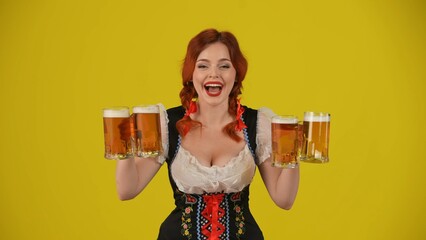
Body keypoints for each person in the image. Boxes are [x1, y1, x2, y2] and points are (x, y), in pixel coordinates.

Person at [115, 28, 300, 240]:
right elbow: (127, 190)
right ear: (191, 75)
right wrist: (124, 146)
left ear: (236, 74)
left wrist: (293, 153)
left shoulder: (257, 124)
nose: (214, 74)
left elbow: (284, 199)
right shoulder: (168, 124)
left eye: (224, 65)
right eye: (203, 66)